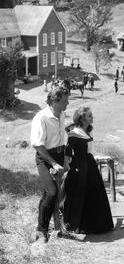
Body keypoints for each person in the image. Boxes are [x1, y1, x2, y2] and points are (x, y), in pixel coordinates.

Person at [63, 107, 114, 234]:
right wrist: (69, 169)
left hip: (90, 165)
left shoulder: (88, 131)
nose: (92, 117)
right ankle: (79, 225)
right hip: (79, 166)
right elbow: (68, 153)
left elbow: (89, 151)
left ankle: (96, 225)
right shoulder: (74, 133)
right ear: (82, 118)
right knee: (80, 194)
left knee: (94, 192)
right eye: (89, 115)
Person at [30, 87, 70, 243]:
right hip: (45, 157)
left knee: (59, 193)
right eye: (65, 100)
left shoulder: (62, 114)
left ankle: (58, 227)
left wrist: (64, 159)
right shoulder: (41, 118)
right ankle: (41, 230)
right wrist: (53, 163)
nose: (68, 102)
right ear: (55, 100)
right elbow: (38, 145)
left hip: (59, 155)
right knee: (51, 192)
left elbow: (61, 139)